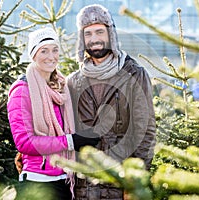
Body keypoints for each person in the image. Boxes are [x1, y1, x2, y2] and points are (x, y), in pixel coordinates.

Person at [66, 4, 156, 200]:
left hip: (120, 183)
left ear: (111, 34)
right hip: (84, 187)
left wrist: (134, 182)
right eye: (88, 34)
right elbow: (62, 128)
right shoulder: (73, 81)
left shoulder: (134, 74)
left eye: (99, 31)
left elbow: (145, 131)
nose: (94, 39)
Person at [7, 27, 100, 200]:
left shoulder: (61, 87)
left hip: (65, 180)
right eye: (44, 51)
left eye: (55, 50)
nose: (51, 56)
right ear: (33, 55)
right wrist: (71, 141)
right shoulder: (22, 91)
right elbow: (24, 142)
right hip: (38, 182)